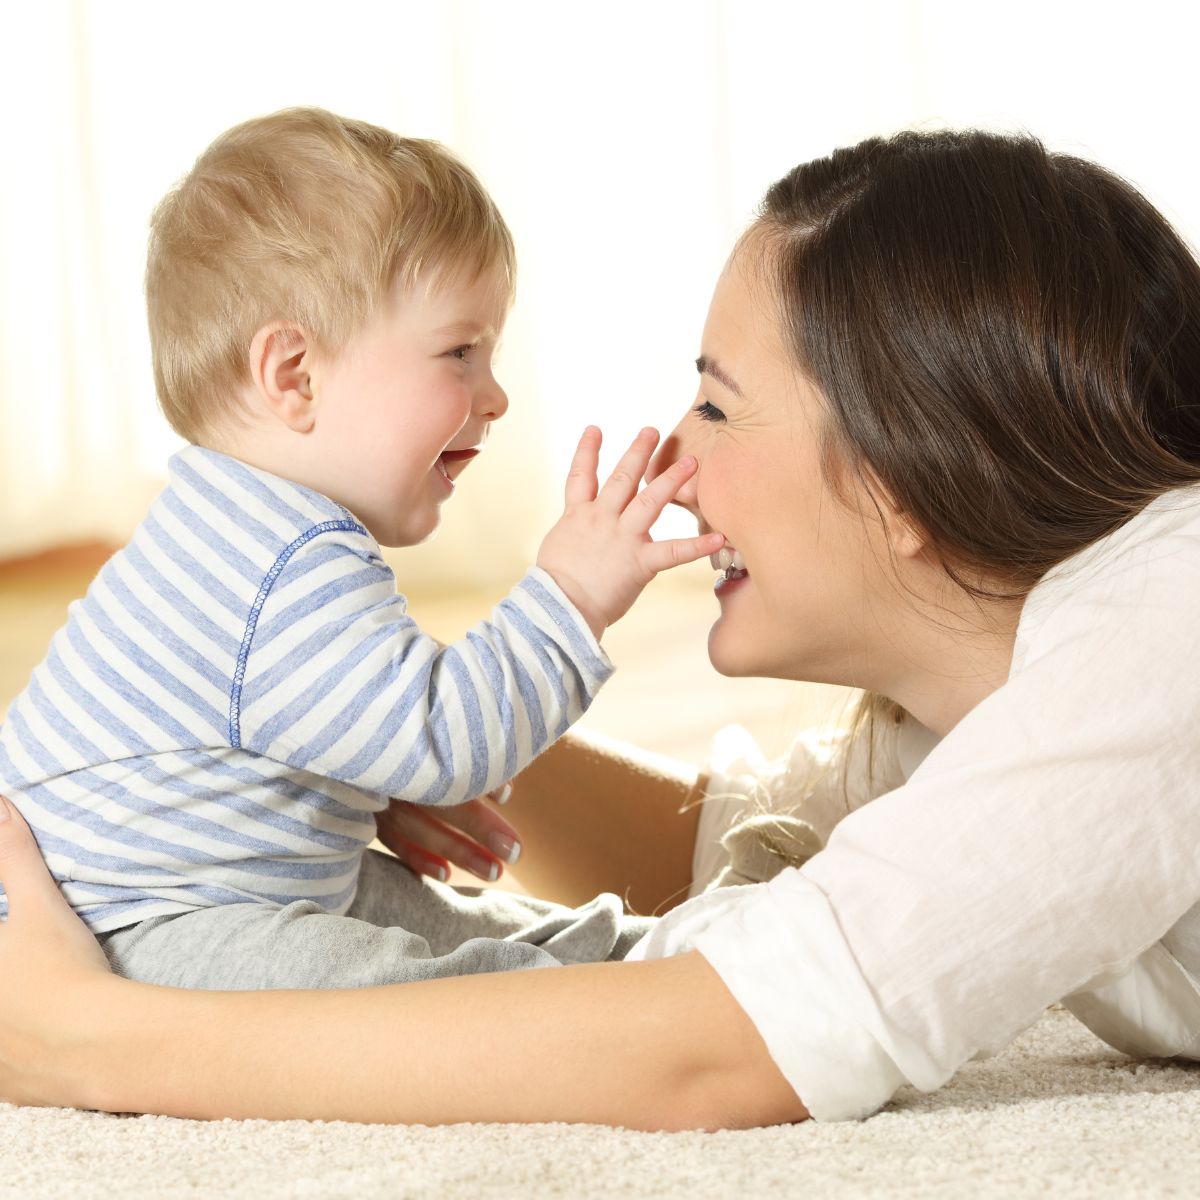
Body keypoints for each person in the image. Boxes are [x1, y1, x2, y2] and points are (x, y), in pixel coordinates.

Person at [2, 126, 1200, 1130]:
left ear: (904, 480)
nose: (672, 460)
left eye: (717, 405)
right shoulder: (990, 702)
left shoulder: (1164, 635)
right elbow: (739, 849)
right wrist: (331, 741)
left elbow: (721, 1049)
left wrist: (91, 1040)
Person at [0, 106, 721, 990]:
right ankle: (612, 983)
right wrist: (573, 592)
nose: (493, 397)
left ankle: (630, 955)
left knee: (417, 913)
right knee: (381, 986)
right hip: (129, 935)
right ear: (295, 376)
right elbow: (443, 740)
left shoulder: (231, 520)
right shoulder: (282, 559)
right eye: (460, 351)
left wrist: (360, 793)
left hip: (208, 892)